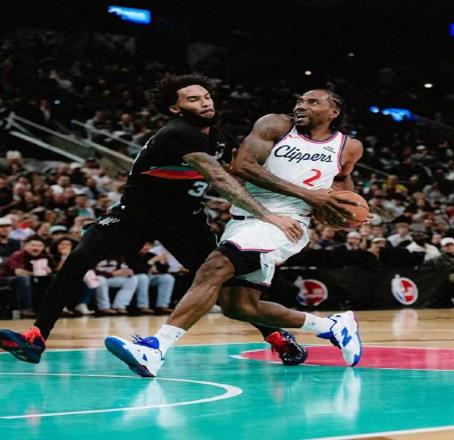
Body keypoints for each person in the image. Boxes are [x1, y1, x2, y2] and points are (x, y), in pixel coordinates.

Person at [0, 73, 331, 365]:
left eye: (206, 96)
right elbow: (219, 178)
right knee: (78, 259)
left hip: (185, 221)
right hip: (135, 216)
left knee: (222, 283)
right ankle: (36, 337)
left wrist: (307, 194)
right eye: (193, 99)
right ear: (175, 108)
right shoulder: (177, 132)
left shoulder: (220, 137)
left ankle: (277, 337)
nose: (204, 102)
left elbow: (243, 172)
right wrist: (267, 215)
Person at [105, 89, 364, 377]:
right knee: (239, 306)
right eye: (300, 101)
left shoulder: (348, 147)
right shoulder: (276, 125)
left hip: (286, 223)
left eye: (312, 102)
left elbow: (342, 186)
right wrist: (308, 194)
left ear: (334, 112)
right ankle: (332, 327)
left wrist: (343, 213)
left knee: (214, 267)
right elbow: (244, 166)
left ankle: (156, 349)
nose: (301, 106)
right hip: (246, 218)